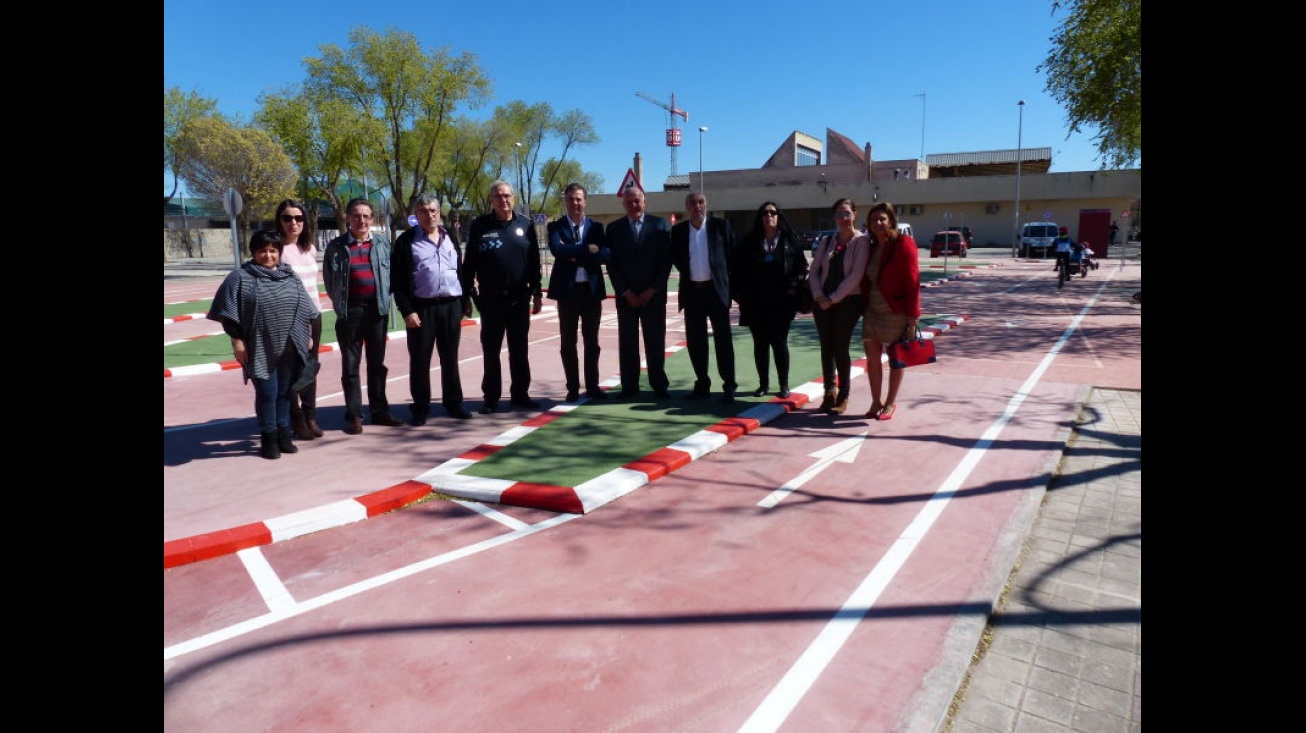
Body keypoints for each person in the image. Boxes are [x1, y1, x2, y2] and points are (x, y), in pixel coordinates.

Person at [207, 230, 322, 459]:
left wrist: (306, 334)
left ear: (279, 253)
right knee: (268, 393)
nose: (268, 255)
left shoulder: (289, 276)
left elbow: (306, 308)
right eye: (262, 250)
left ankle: (283, 434)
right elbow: (229, 314)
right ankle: (268, 437)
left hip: (291, 345)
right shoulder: (240, 278)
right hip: (260, 347)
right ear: (253, 252)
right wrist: (238, 343)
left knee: (285, 393)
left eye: (273, 250)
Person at [461, 181, 544, 414]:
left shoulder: (525, 226)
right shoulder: (480, 226)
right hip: (490, 301)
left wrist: (536, 292)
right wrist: (467, 295)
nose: (503, 200)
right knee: (491, 351)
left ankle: (520, 394)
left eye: (506, 195)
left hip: (519, 300)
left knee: (519, 350)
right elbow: (469, 265)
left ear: (513, 198)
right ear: (491, 200)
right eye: (497, 196)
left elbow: (534, 262)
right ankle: (491, 398)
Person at [322, 197, 402, 434]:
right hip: (350, 312)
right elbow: (329, 280)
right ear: (347, 218)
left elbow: (391, 275)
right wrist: (340, 305)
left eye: (366, 216)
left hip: (377, 311)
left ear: (372, 219)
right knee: (351, 366)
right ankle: (354, 415)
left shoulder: (382, 243)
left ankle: (379, 411)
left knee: (377, 364)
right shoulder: (336, 247)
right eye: (356, 215)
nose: (361, 220)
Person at [392, 193, 474, 423]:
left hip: (451, 306)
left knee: (450, 358)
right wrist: (407, 310)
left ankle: (454, 403)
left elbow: (460, 271)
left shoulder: (450, 237)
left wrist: (465, 300)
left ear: (439, 212)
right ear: (416, 215)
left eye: (433, 211)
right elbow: (397, 280)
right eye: (424, 211)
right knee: (420, 360)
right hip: (421, 309)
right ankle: (420, 407)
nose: (430, 215)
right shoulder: (406, 241)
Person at [735, 201, 809, 399]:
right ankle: (763, 384)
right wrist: (742, 297)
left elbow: (802, 268)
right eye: (765, 213)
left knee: (779, 343)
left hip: (781, 303)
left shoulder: (789, 240)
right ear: (760, 217)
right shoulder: (749, 241)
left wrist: (794, 286)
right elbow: (738, 271)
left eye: (773, 212)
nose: (769, 216)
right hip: (755, 303)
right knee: (760, 344)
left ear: (779, 216)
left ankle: (783, 385)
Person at [606, 186, 674, 399]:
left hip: (653, 296)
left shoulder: (660, 225)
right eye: (629, 202)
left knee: (655, 342)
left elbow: (666, 262)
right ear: (623, 204)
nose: (634, 205)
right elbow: (612, 265)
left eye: (637, 201)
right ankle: (629, 386)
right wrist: (625, 292)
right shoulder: (614, 229)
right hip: (626, 297)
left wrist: (652, 290)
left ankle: (659, 384)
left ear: (645, 202)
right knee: (628, 343)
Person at [670, 191, 738, 403]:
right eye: (692, 203)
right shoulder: (679, 231)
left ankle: (729, 385)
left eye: (700, 202)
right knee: (696, 341)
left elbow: (733, 257)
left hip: (716, 292)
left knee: (723, 341)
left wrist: (730, 290)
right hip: (692, 293)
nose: (697, 206)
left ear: (706, 205)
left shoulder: (720, 227)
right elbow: (678, 259)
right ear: (687, 207)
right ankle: (702, 383)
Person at [546, 183, 610, 403]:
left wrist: (574, 253)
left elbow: (604, 255)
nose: (575, 203)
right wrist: (587, 249)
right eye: (571, 198)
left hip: (591, 292)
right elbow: (557, 250)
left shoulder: (596, 228)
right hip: (567, 293)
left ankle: (592, 386)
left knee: (592, 342)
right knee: (568, 343)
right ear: (565, 200)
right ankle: (572, 387)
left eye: (579, 199)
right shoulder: (555, 227)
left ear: (585, 201)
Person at [807, 197, 870, 415]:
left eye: (847, 214)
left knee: (840, 347)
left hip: (848, 302)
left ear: (855, 215)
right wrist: (818, 295)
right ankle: (828, 392)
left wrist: (832, 298)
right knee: (826, 347)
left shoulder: (861, 242)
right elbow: (813, 271)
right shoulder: (826, 241)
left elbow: (856, 275)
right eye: (838, 215)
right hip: (822, 302)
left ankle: (843, 395)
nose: (843, 218)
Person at [859, 201, 921, 421]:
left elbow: (912, 280)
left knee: (896, 359)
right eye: (873, 220)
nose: (878, 223)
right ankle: (875, 401)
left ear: (891, 221)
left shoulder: (904, 243)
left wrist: (913, 315)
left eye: (882, 219)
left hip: (896, 312)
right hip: (872, 312)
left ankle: (890, 402)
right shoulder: (869, 246)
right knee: (872, 360)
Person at [275, 199, 325, 441]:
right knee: (292, 371)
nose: (293, 223)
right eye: (287, 218)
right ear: (279, 221)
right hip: (291, 320)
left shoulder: (310, 249)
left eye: (298, 218)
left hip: (315, 317)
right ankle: (296, 419)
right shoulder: (277, 251)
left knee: (310, 369)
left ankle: (310, 416)